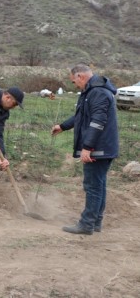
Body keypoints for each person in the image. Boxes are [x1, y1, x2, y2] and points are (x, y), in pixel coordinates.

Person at [51, 64, 119, 235]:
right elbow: (82, 115)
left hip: (99, 147)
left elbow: (97, 121)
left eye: (74, 82)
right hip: (103, 146)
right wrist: (63, 126)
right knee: (99, 184)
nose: (75, 85)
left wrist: (87, 147)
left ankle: (87, 224)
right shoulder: (92, 91)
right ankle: (95, 222)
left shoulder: (97, 92)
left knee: (93, 186)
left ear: (80, 76)